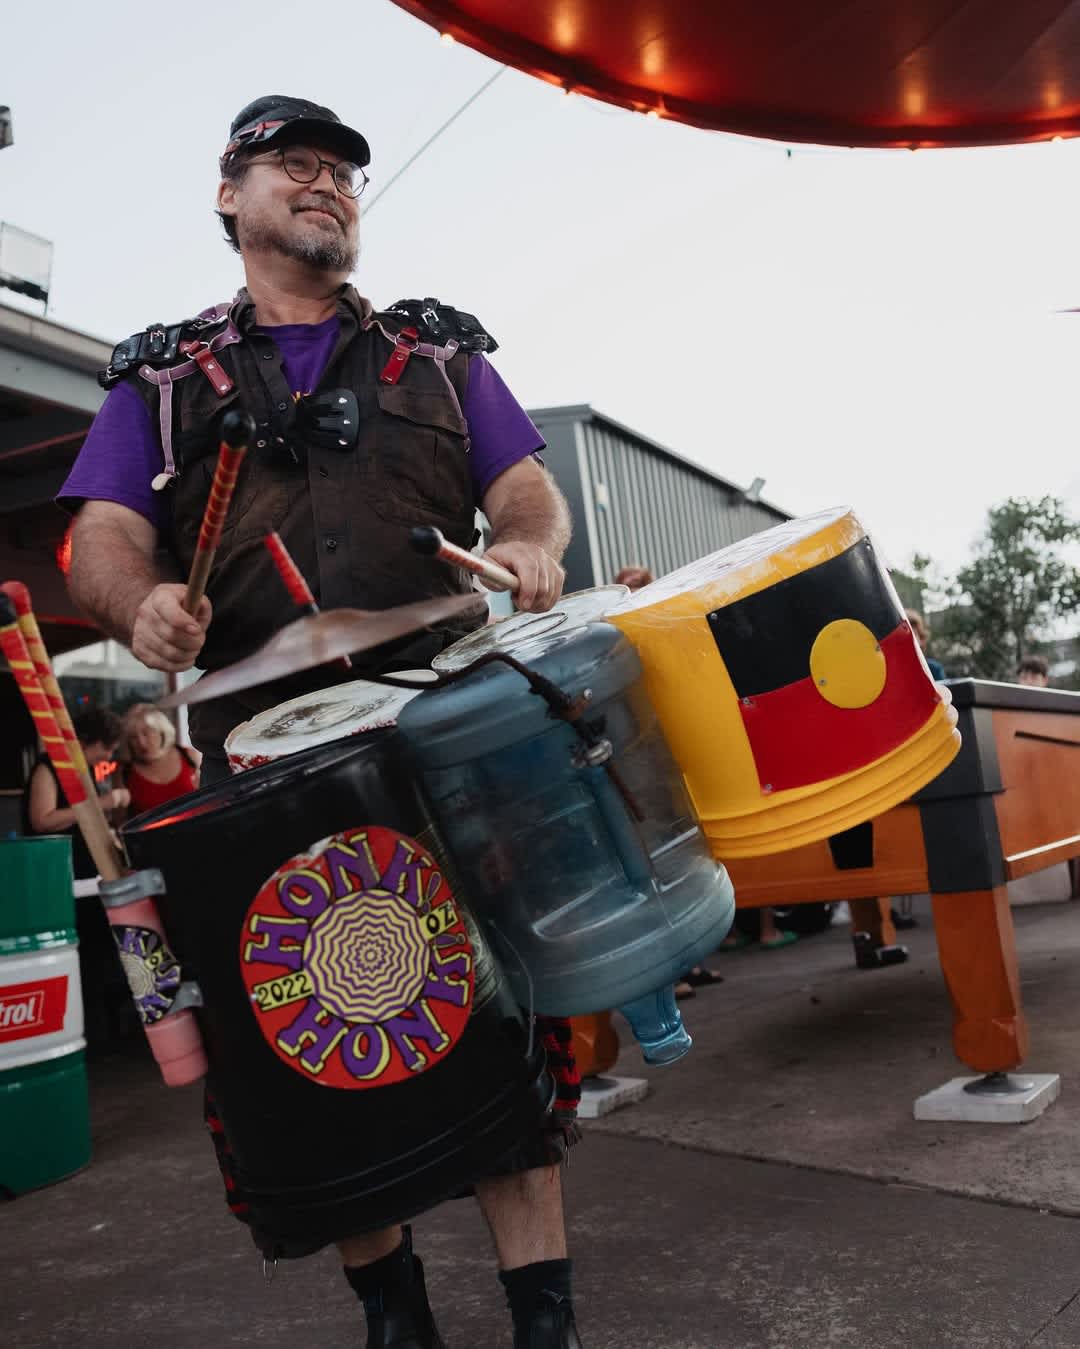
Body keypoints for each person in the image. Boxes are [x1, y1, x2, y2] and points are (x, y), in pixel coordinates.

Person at [59, 96, 581, 1349]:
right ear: (228, 197)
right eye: (293, 165)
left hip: (442, 723)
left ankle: (544, 1316)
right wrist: (140, 611)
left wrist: (526, 548)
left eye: (343, 169)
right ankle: (393, 1311)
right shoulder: (165, 382)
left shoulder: (437, 356)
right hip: (265, 760)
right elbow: (103, 542)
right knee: (319, 1036)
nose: (327, 183)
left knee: (501, 1017)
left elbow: (525, 491)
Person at [21, 706, 133, 1051]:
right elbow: (43, 820)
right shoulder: (48, 768)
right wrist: (103, 802)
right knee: (81, 956)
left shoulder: (83, 771)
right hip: (61, 879)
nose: (109, 756)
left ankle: (103, 1035)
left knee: (100, 955)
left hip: (88, 879)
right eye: (108, 748)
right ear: (95, 742)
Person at [121, 703, 201, 815]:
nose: (141, 743)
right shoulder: (124, 772)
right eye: (134, 738)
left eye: (146, 733)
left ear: (161, 731)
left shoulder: (189, 756)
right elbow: (119, 821)